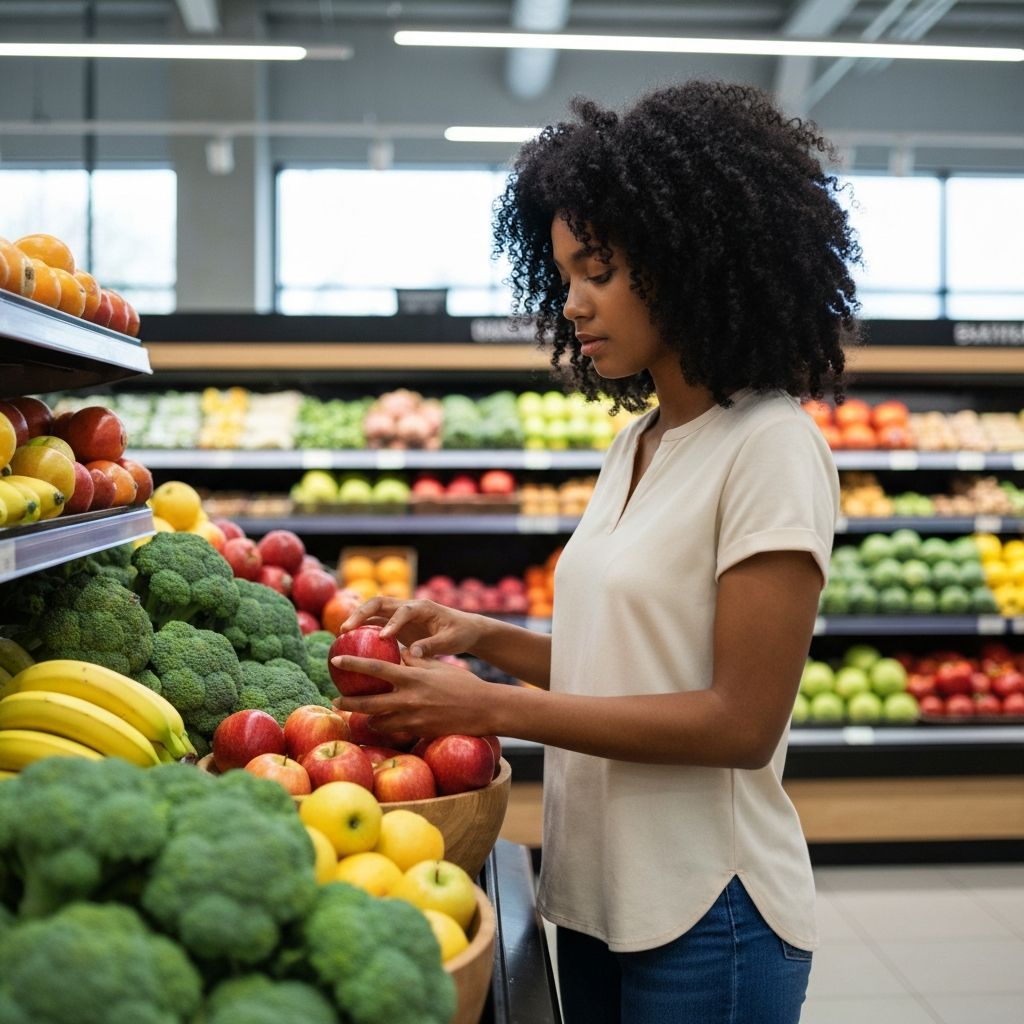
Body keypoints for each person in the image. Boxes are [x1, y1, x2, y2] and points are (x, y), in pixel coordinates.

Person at [332, 79, 861, 1023]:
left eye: (600, 271)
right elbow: (623, 661)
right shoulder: (640, 442)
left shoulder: (773, 445)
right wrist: (480, 635)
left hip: (711, 909)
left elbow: (741, 721)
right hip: (596, 896)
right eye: (565, 275)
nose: (573, 304)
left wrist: (496, 706)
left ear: (688, 256)